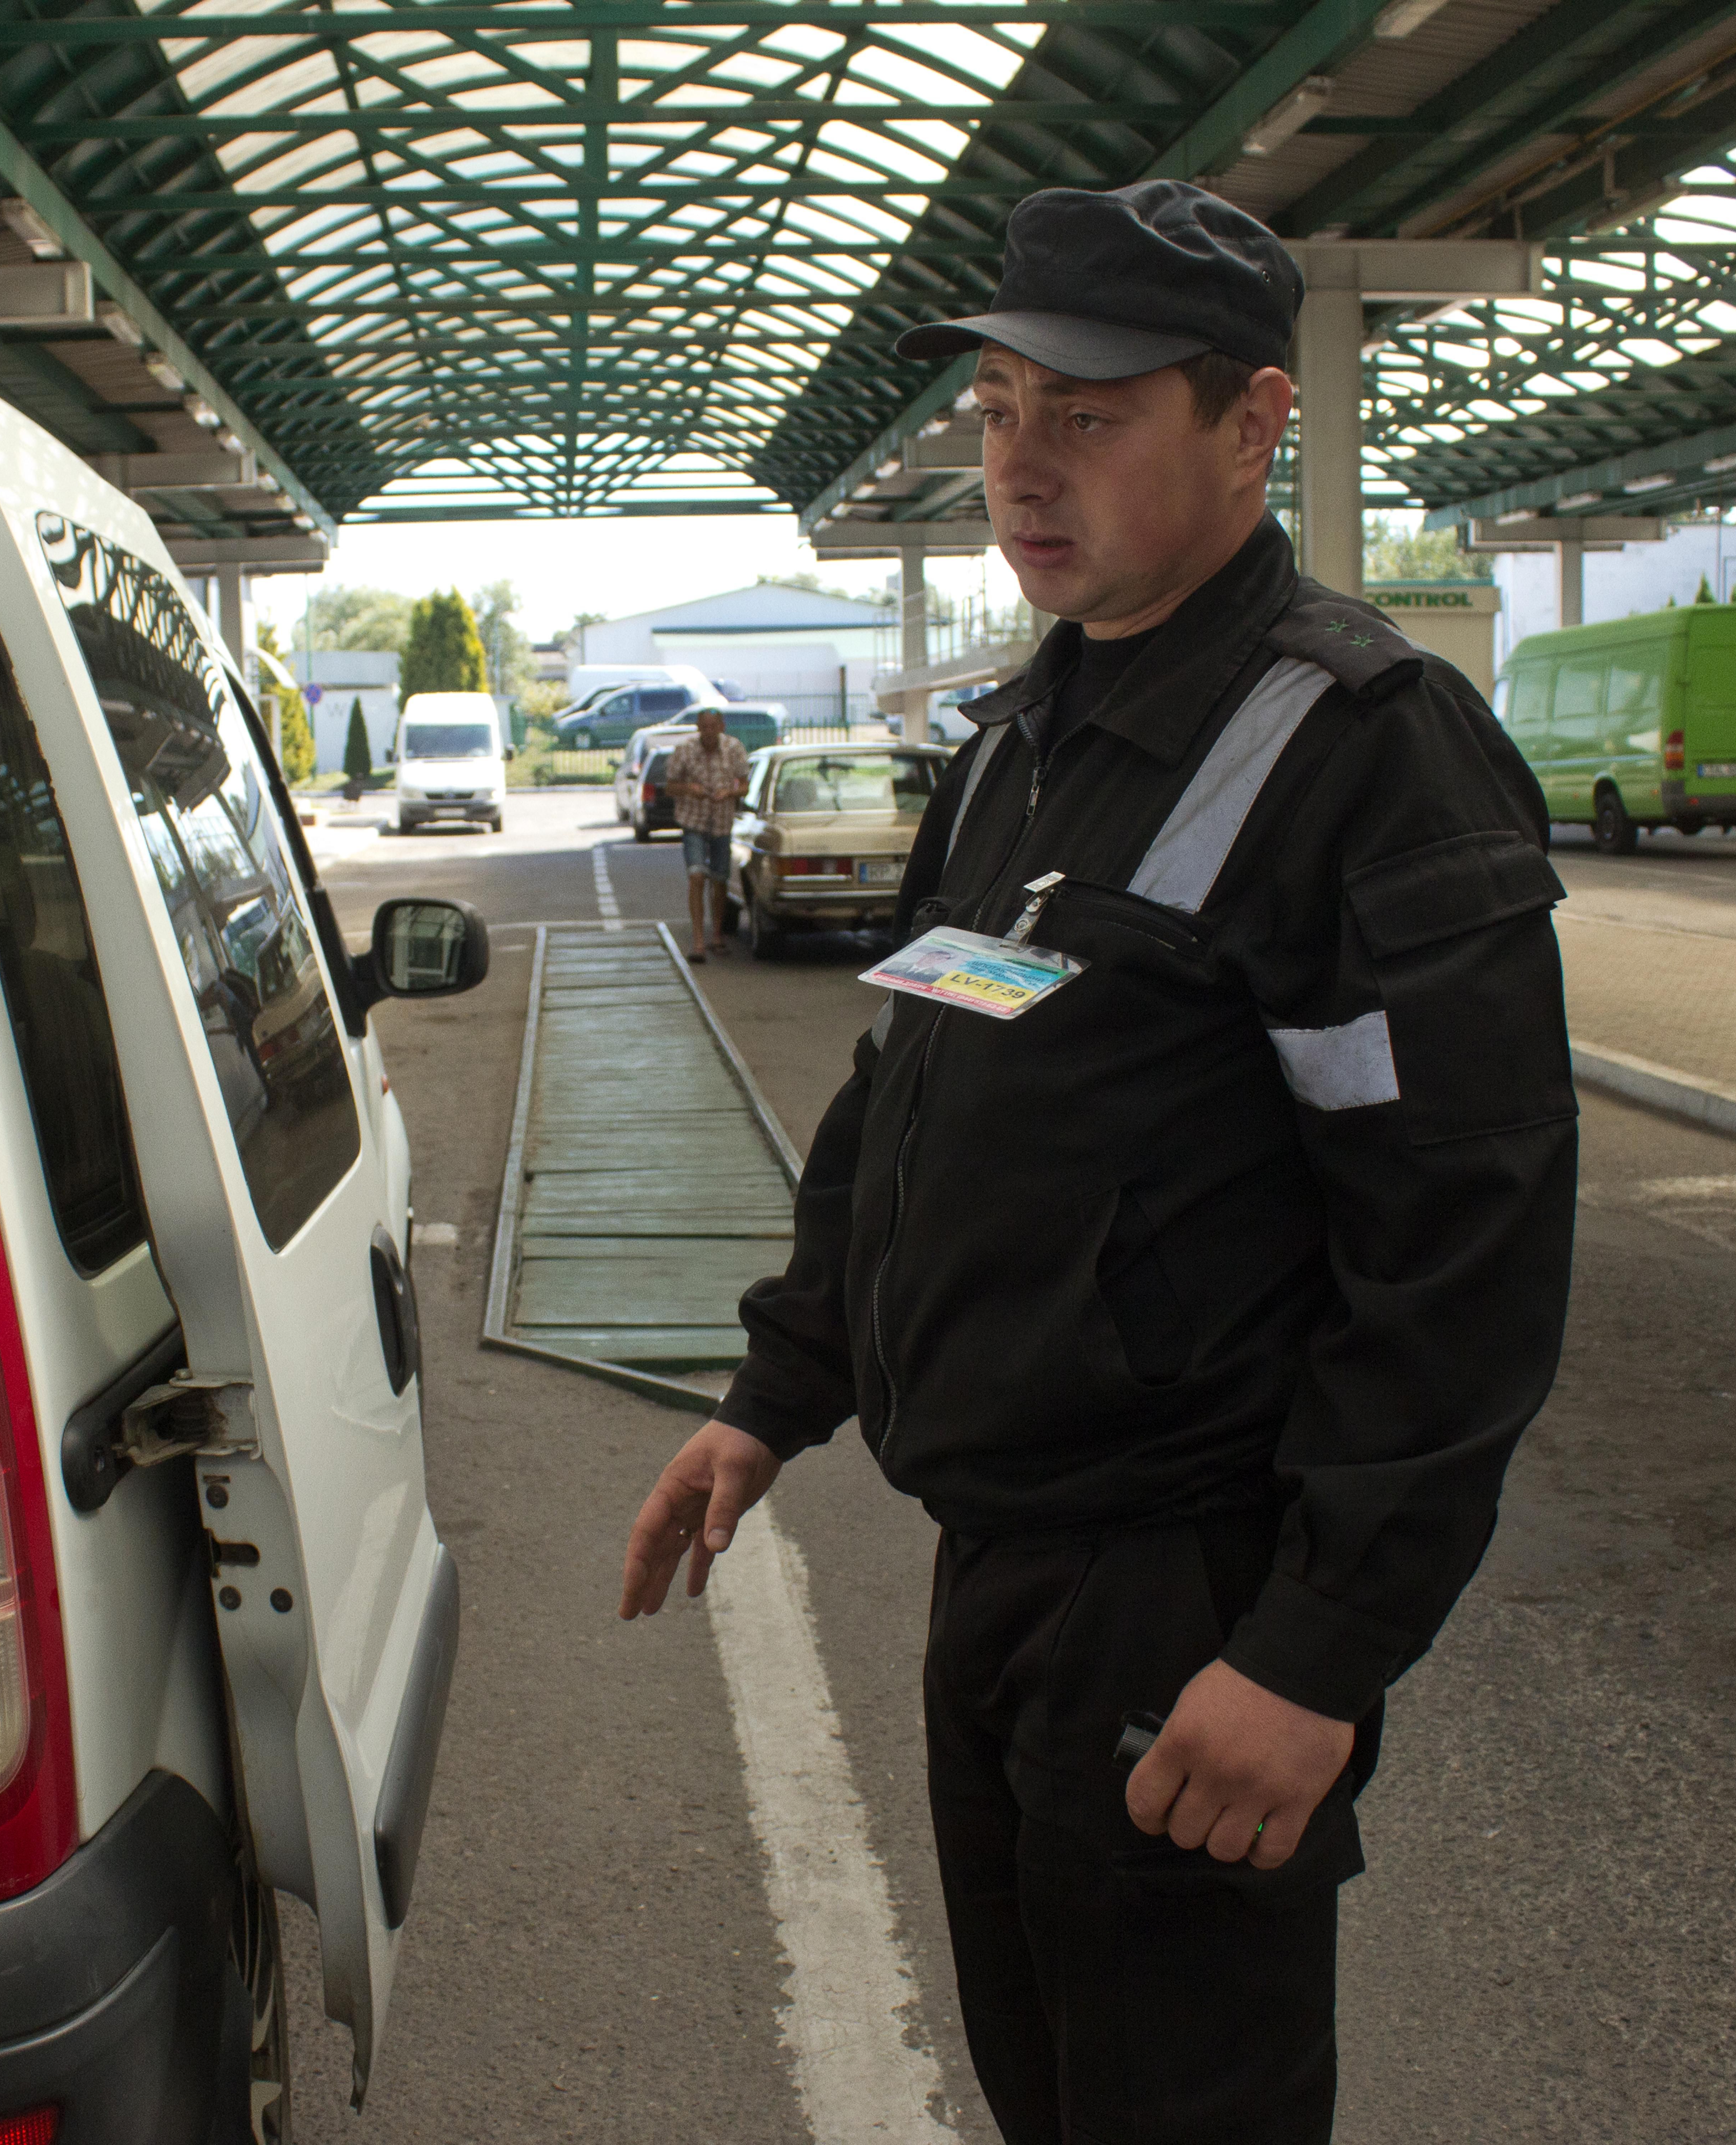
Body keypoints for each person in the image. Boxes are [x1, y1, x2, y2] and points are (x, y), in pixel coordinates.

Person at [617, 179, 1578, 2144]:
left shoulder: (1364, 749)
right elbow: (912, 1098)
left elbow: (1461, 1242)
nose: (1020, 469)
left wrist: (1313, 1647)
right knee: (1048, 2090)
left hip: (1182, 1595)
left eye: (1087, 412)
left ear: (1249, 426)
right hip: (1002, 1577)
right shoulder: (1016, 743)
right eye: (991, 411)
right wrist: (780, 1387)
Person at [662, 703, 750, 962]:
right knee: (697, 876)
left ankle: (717, 936)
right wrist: (690, 789)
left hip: (722, 823)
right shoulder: (685, 751)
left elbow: (745, 785)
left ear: (722, 728)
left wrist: (730, 793)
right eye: (704, 727)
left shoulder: (734, 748)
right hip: (694, 823)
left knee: (720, 880)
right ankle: (699, 942)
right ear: (698, 728)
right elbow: (670, 787)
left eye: (714, 727)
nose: (709, 732)